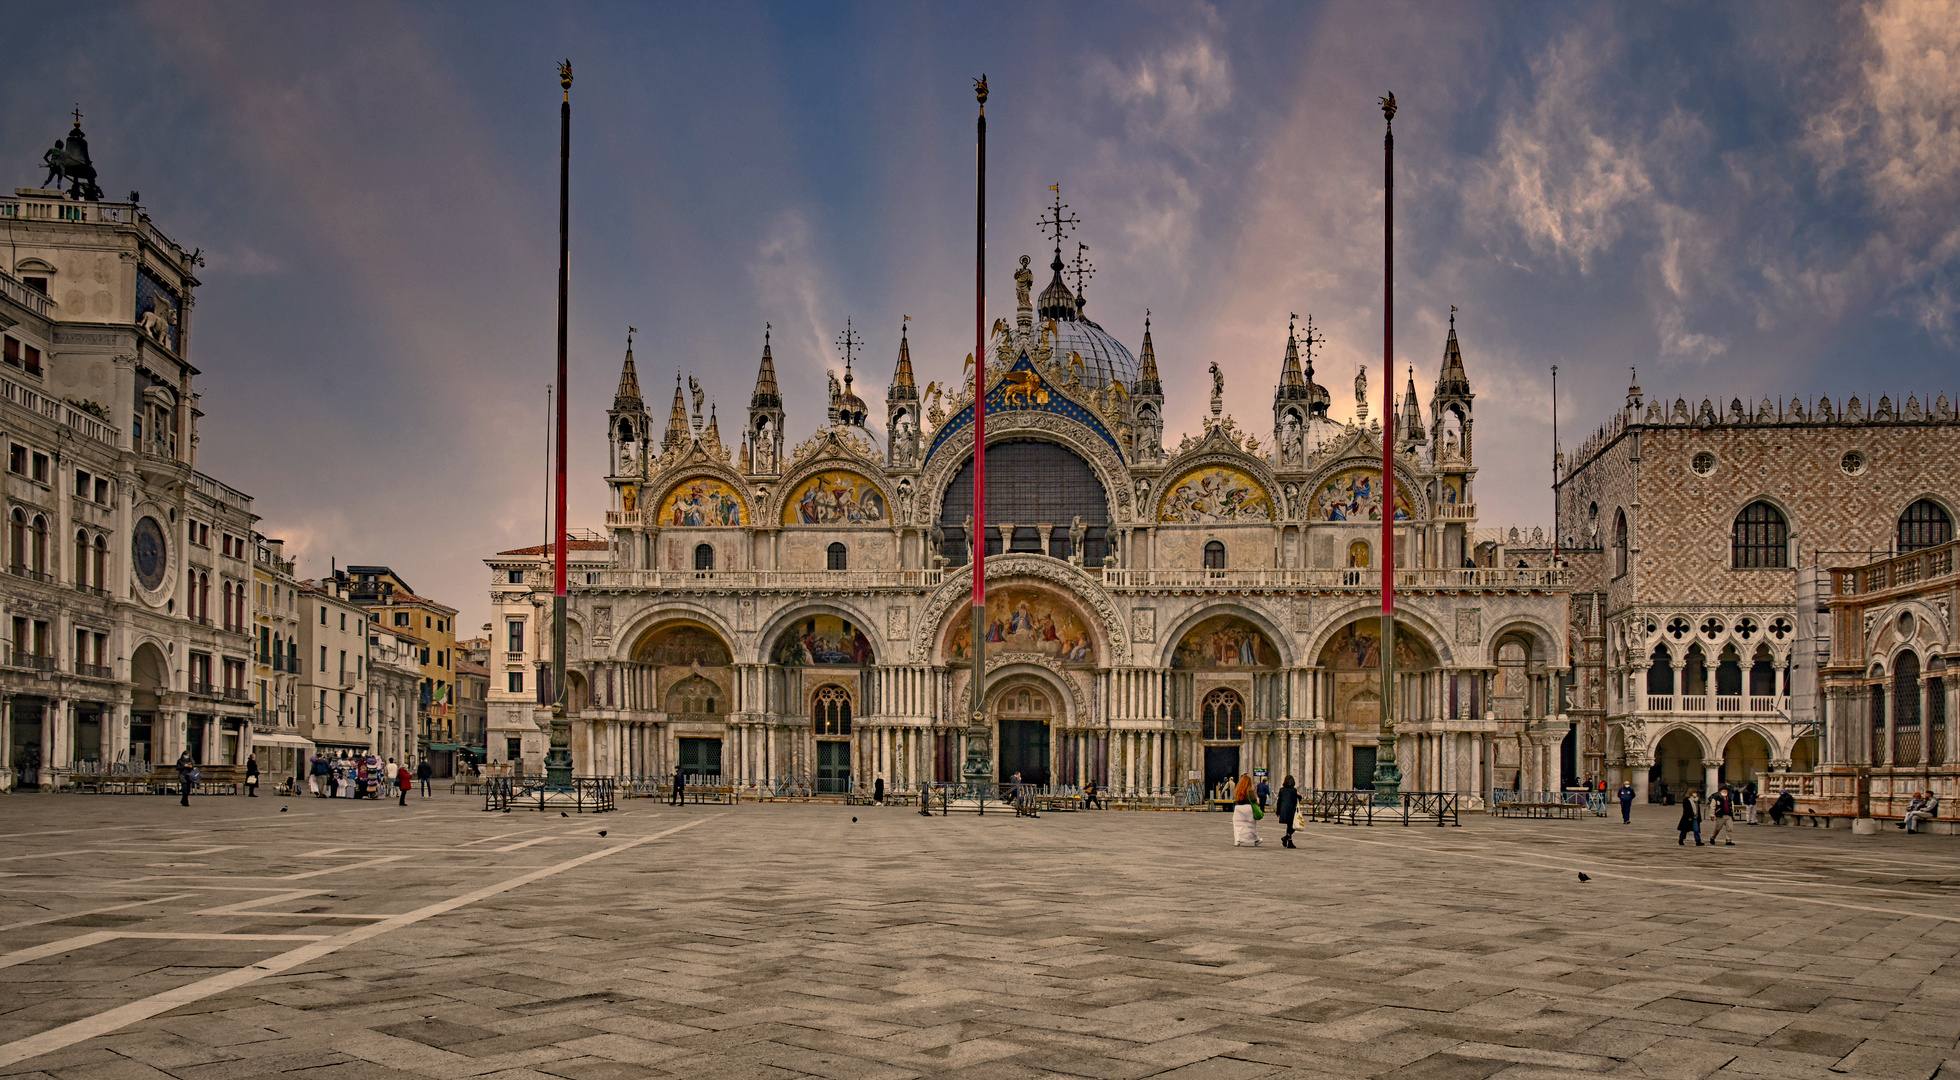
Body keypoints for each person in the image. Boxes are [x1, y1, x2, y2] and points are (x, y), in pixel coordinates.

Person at [1231, 773, 1260, 847]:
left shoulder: (1238, 789)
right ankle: (1256, 839)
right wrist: (1257, 800)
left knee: (1237, 826)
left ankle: (1237, 840)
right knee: (1251, 825)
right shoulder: (1249, 789)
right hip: (1248, 808)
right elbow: (1253, 799)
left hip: (1238, 808)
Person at [1275, 775, 1300, 849]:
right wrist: (1299, 796)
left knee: (1289, 826)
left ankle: (1290, 842)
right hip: (1291, 809)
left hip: (1283, 809)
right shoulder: (1293, 790)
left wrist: (1278, 811)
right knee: (1293, 826)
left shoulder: (1282, 790)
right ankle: (1286, 837)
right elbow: (1295, 800)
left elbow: (1279, 801)